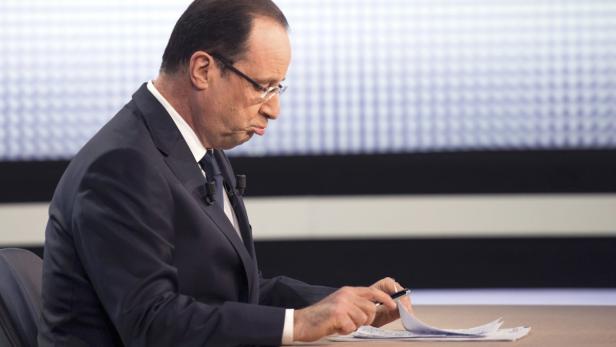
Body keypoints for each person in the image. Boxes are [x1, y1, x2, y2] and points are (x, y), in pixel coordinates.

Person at [38, 0, 412, 346]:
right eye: (263, 87)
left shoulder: (200, 148)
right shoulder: (122, 165)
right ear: (203, 69)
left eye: (278, 88)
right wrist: (298, 324)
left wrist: (338, 304)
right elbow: (151, 324)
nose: (274, 109)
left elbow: (232, 294)